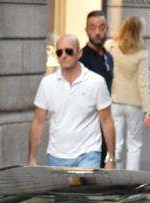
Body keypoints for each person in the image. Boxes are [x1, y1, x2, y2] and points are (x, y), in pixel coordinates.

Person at [28, 35, 115, 169]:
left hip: (88, 153)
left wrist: (111, 158)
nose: (64, 55)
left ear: (79, 53)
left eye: (69, 51)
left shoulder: (96, 82)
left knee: (84, 190)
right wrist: (31, 158)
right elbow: (39, 121)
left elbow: (107, 120)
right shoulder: (47, 83)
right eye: (59, 52)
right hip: (56, 156)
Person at [109, 15, 150, 171]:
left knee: (115, 143)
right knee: (134, 144)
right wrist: (147, 110)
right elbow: (143, 83)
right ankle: (132, 179)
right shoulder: (142, 53)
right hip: (134, 103)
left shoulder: (111, 46)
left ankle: (115, 176)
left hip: (115, 100)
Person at [81, 10, 114, 166]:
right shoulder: (81, 59)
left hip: (103, 124)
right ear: (86, 30)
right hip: (85, 127)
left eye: (101, 27)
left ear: (107, 29)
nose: (97, 32)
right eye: (93, 28)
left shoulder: (108, 57)